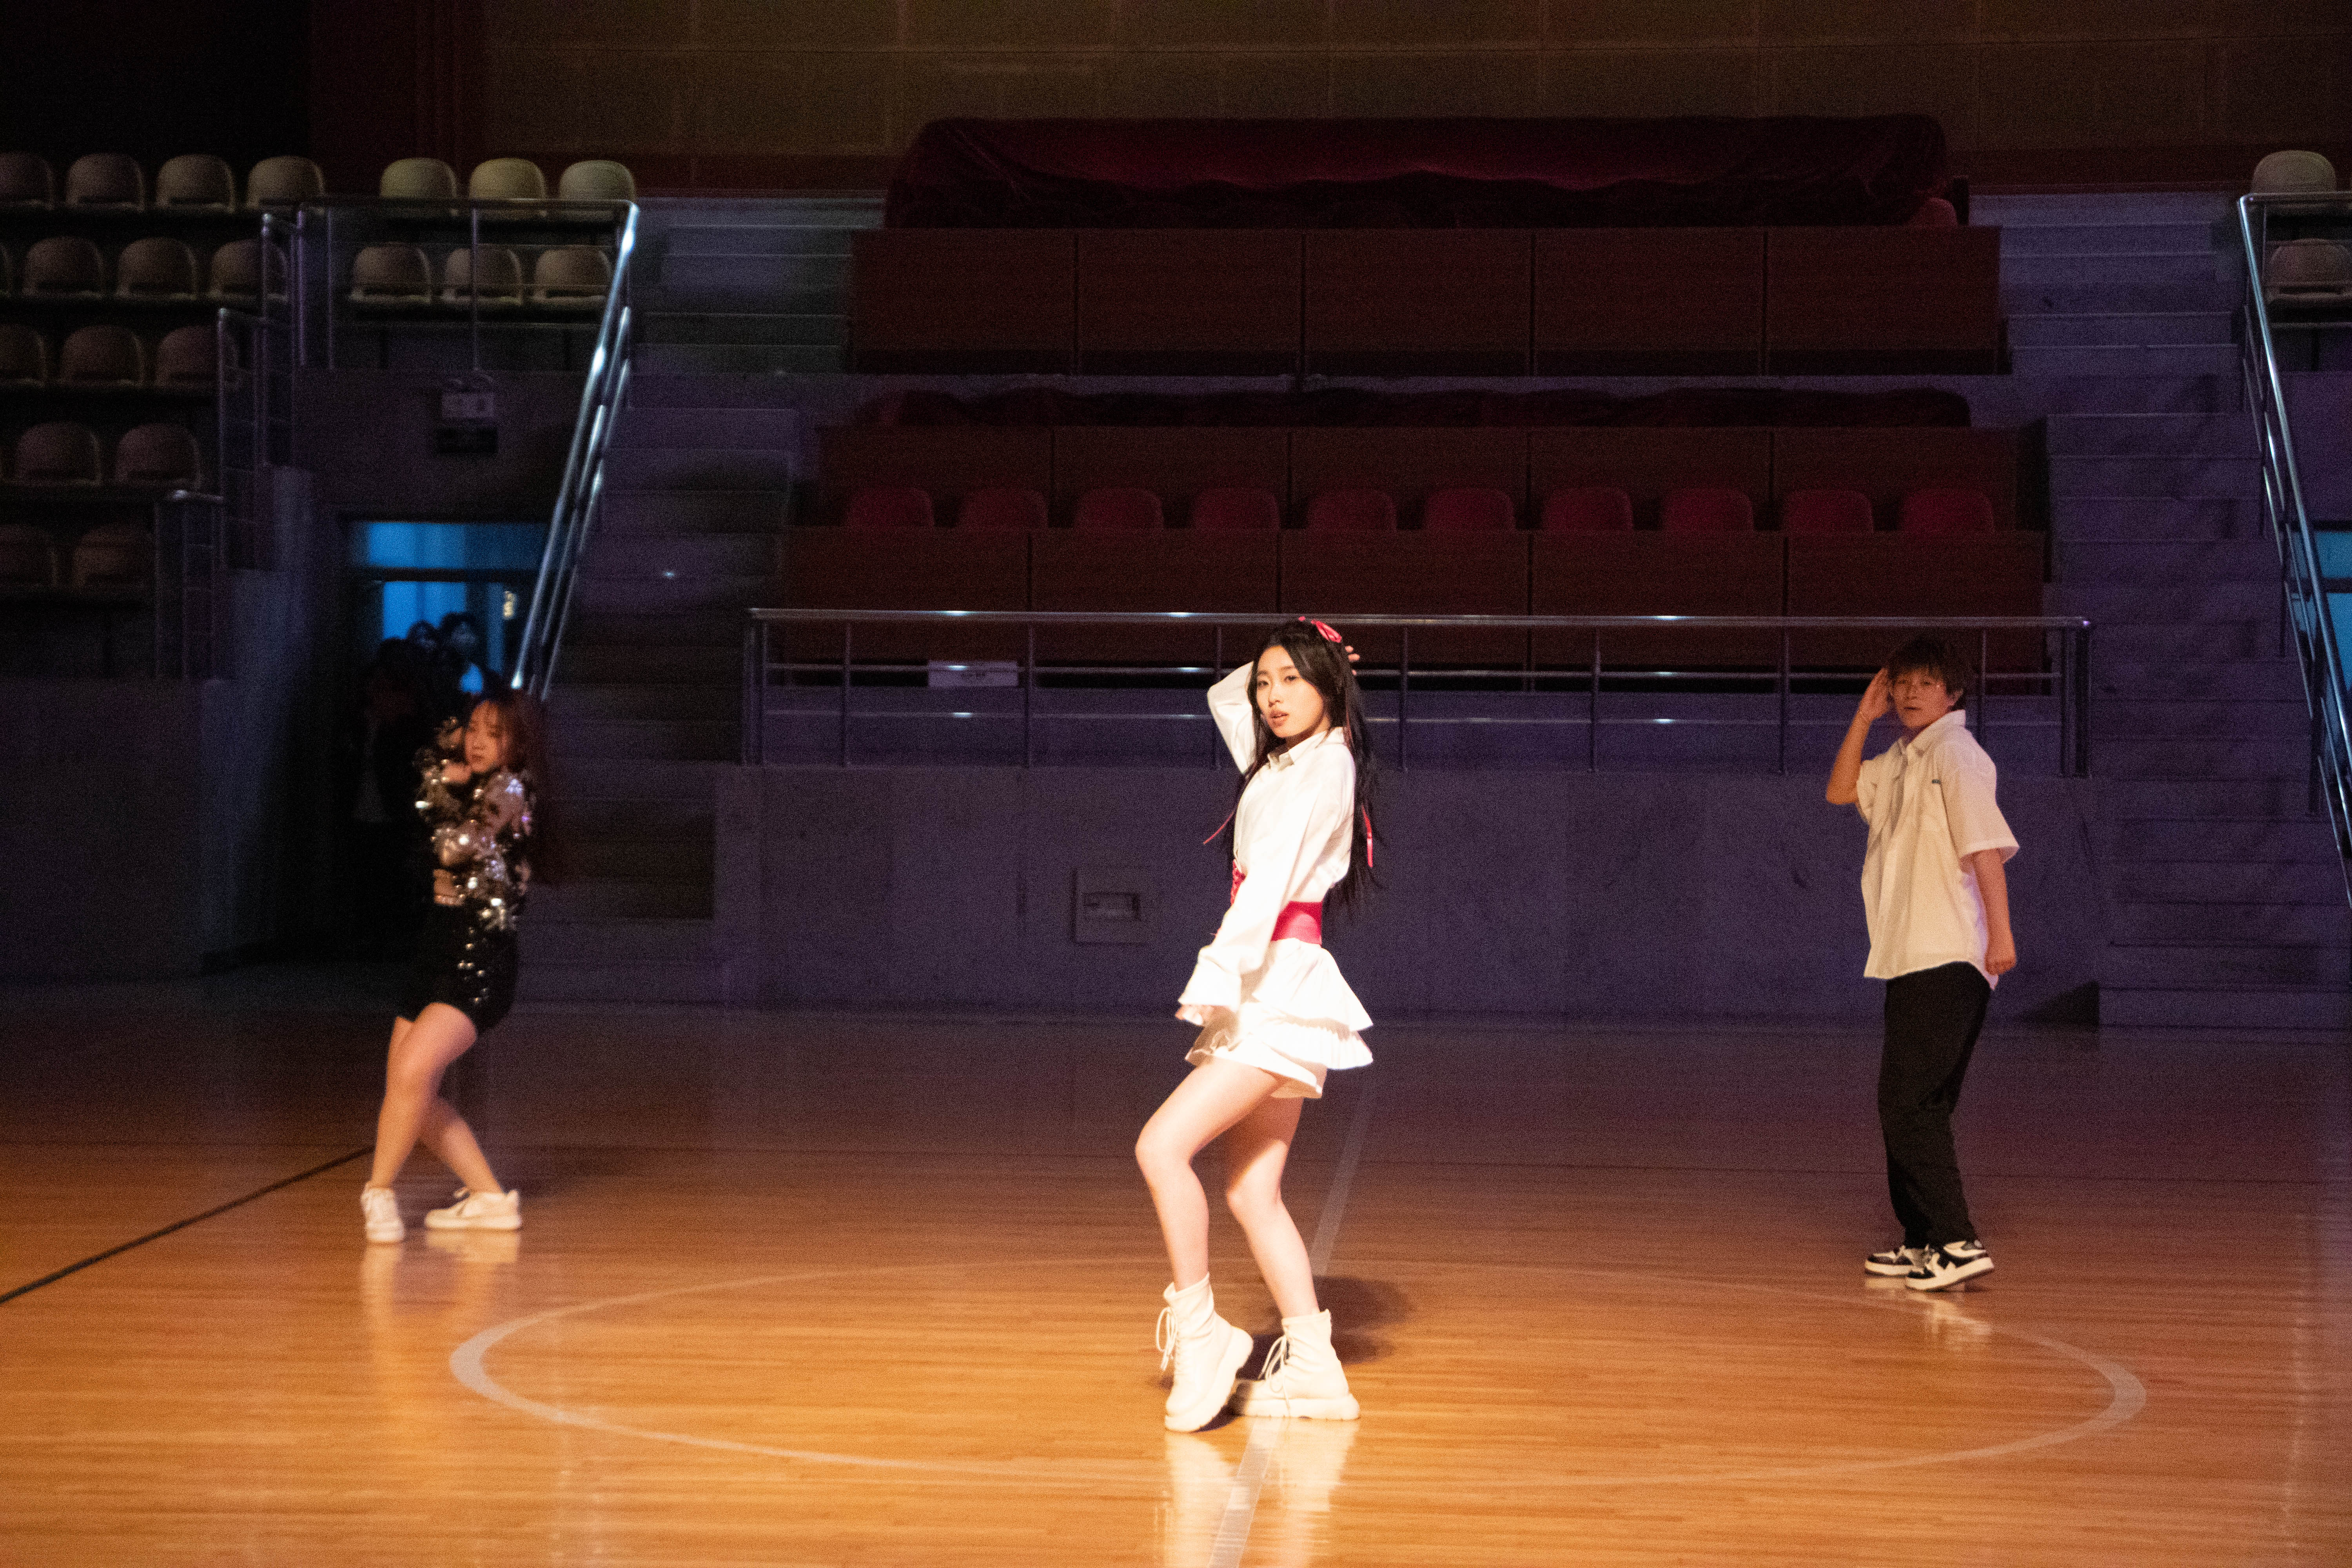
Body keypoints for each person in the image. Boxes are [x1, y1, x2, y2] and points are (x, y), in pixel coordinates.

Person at [1136, 618, 1377, 1431]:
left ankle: (1204, 1336)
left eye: (1292, 681)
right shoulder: (1280, 760)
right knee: (1251, 1190)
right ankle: (1315, 1369)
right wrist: (1306, 653)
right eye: (1266, 681)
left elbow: (1269, 887)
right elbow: (1223, 697)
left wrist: (1217, 972)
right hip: (1269, 983)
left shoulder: (1326, 764)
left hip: (1277, 984)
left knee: (1161, 1147)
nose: (1272, 697)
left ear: (1329, 689)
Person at [1825, 635, 2018, 1293]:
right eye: (1902, 683)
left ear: (1954, 694)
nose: (1909, 694)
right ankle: (1923, 1241)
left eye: (1925, 683)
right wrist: (1863, 716)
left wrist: (2001, 937)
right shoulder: (1906, 757)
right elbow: (1841, 790)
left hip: (1948, 953)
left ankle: (1957, 1241)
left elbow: (1985, 849)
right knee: (1915, 1103)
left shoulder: (1955, 756)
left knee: (1909, 1103)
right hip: (1913, 955)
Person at [360, 689, 550, 1243]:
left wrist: (445, 787)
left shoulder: (510, 791)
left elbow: (455, 848)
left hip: (480, 961)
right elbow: (430, 789)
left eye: (495, 733)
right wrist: (447, 779)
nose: (478, 741)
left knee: (411, 1075)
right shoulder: (472, 784)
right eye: (474, 729)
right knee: (409, 1091)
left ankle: (378, 1192)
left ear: (518, 744)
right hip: (436, 948)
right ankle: (490, 1199)